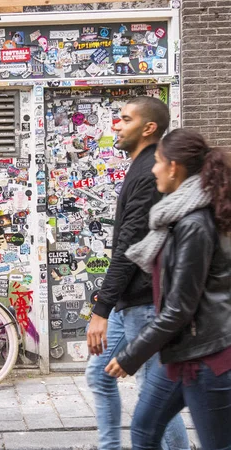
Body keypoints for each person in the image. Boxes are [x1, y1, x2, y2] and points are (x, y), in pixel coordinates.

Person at [106, 128, 231, 450]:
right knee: (145, 429)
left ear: (174, 167)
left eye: (158, 162)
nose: (153, 168)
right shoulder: (178, 217)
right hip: (181, 351)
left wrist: (131, 355)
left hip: (206, 359)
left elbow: (179, 308)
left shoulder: (194, 224)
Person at [84, 97, 189, 450]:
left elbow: (128, 248)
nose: (115, 124)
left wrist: (101, 309)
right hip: (129, 301)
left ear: (149, 128)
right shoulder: (141, 167)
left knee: (153, 394)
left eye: (125, 119)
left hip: (144, 302)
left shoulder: (148, 173)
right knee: (99, 375)